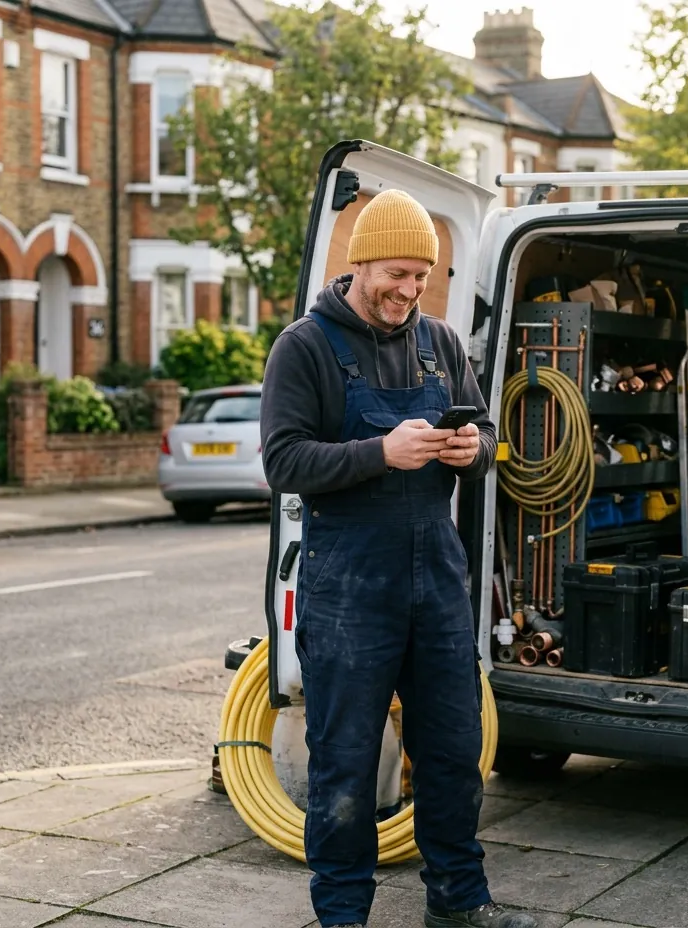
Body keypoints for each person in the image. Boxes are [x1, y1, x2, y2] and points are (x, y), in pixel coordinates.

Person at [260, 188, 537, 928]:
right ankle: (343, 913)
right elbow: (283, 462)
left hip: (436, 583)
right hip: (350, 588)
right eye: (397, 274)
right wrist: (380, 452)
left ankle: (458, 902)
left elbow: (482, 438)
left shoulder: (440, 343)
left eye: (423, 275)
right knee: (345, 759)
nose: (410, 291)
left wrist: (472, 448)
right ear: (359, 264)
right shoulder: (306, 347)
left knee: (451, 750)